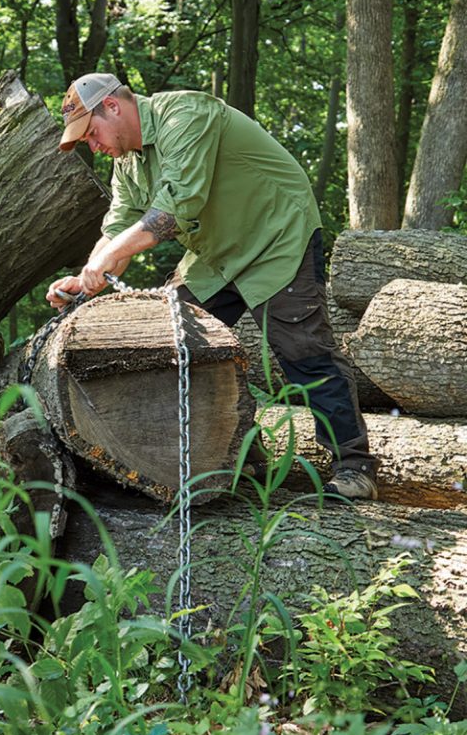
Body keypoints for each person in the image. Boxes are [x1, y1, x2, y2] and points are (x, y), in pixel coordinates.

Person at [46, 72, 378, 500]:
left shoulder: (183, 114)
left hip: (276, 236)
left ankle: (354, 466)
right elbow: (120, 227)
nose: (94, 146)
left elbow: (177, 209)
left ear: (113, 106)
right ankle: (244, 456)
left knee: (304, 353)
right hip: (215, 254)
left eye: (92, 134)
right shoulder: (127, 160)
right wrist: (86, 274)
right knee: (172, 341)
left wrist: (107, 260)